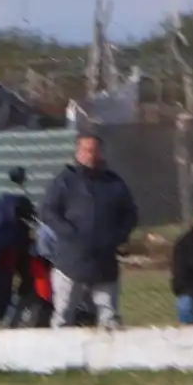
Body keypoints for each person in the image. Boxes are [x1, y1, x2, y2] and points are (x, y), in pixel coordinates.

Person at [39, 132, 138, 329]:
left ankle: (107, 357)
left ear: (101, 153)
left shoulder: (113, 183)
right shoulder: (64, 181)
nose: (90, 155)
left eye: (94, 150)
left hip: (104, 263)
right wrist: (68, 233)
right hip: (70, 262)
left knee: (108, 317)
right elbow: (48, 211)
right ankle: (61, 358)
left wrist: (118, 236)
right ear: (77, 153)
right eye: (86, 150)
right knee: (63, 315)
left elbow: (130, 214)